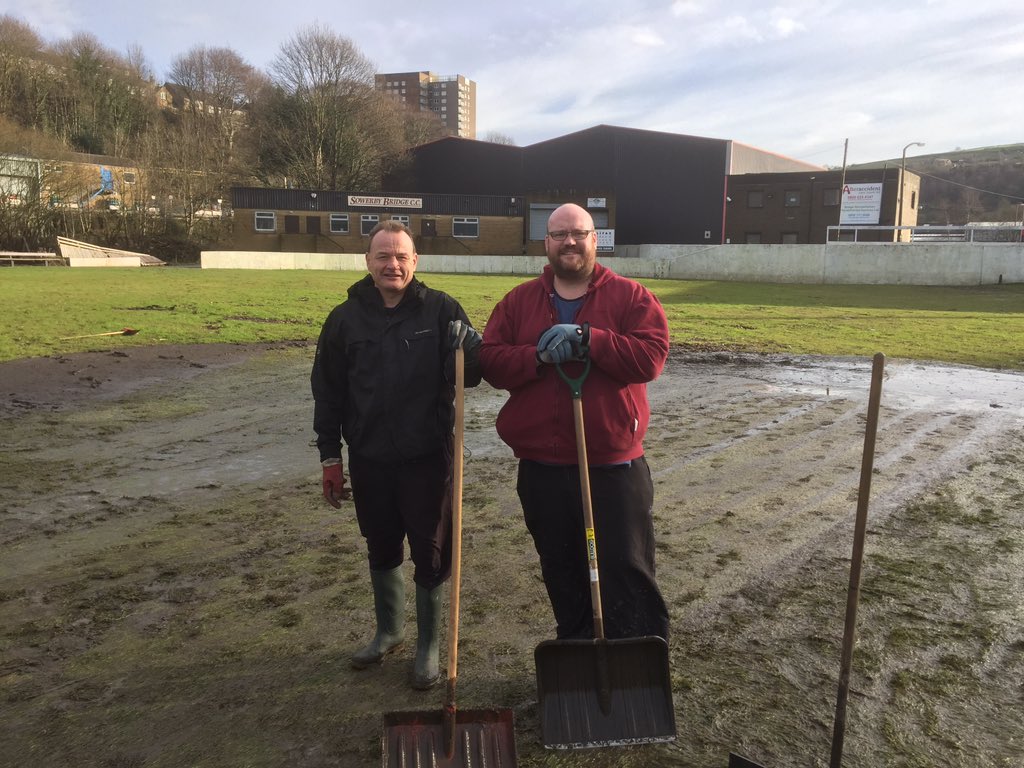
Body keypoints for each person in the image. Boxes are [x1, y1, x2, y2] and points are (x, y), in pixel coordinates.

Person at [479, 203, 671, 641]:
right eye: (560, 234)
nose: (570, 241)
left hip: (612, 465)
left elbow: (650, 358)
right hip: (543, 466)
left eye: (579, 233)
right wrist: (536, 357)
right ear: (545, 243)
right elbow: (490, 360)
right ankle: (578, 656)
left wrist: (591, 339)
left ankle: (638, 661)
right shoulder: (519, 302)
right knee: (562, 567)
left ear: (594, 240)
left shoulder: (631, 297)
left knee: (626, 566)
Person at [310, 220, 482, 689]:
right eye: (383, 256)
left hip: (428, 459)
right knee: (380, 544)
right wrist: (331, 458)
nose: (393, 264)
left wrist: (473, 349)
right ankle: (389, 630)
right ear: (367, 262)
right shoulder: (344, 319)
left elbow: (471, 376)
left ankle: (427, 647)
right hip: (370, 460)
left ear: (415, 262)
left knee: (429, 551)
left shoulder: (442, 309)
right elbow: (327, 394)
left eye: (401, 256)